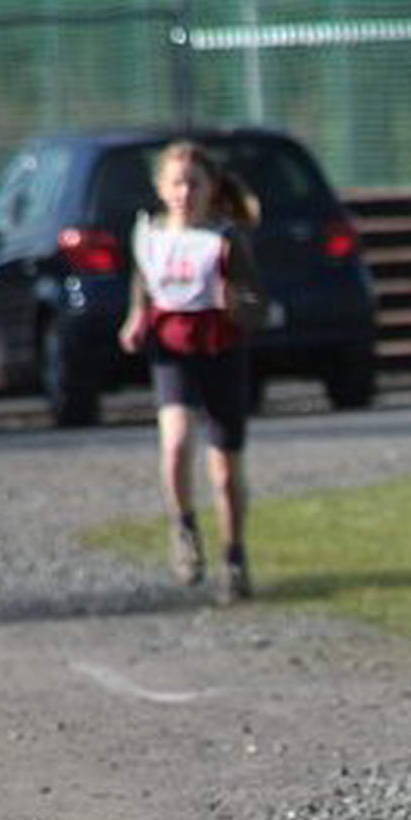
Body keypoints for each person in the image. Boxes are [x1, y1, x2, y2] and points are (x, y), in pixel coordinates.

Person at [119, 139, 269, 602]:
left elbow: (257, 306)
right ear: (161, 187)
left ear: (211, 188)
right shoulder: (150, 234)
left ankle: (234, 557)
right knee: (176, 443)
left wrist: (237, 304)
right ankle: (183, 528)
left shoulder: (224, 240)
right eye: (177, 183)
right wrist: (135, 317)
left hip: (220, 349)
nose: (185, 193)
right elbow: (143, 282)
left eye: (194, 184)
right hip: (171, 348)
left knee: (224, 469)